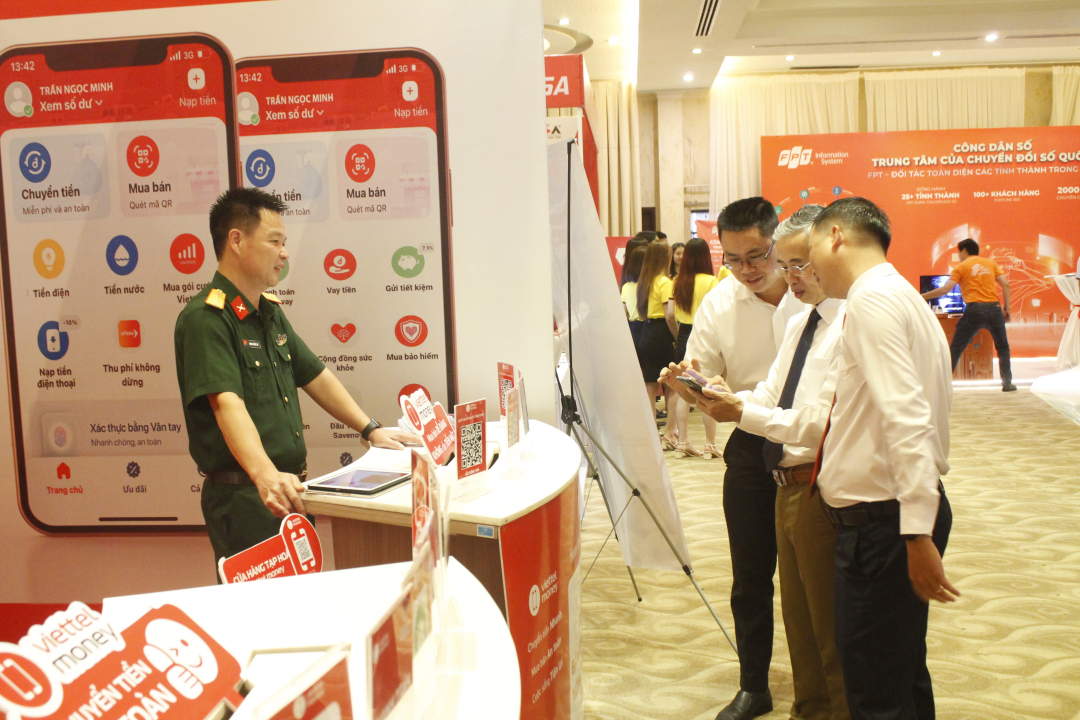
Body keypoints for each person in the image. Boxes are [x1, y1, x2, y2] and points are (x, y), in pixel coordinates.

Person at [174, 187, 417, 567]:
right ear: (236, 241)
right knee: (260, 604)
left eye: (284, 243)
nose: (284, 253)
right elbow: (226, 404)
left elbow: (316, 375)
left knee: (301, 597)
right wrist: (265, 476)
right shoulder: (206, 319)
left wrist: (370, 429)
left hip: (288, 490)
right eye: (275, 242)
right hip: (248, 498)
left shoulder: (268, 311)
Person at [672, 205, 850, 720]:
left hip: (815, 453)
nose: (747, 269)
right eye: (733, 259)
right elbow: (708, 374)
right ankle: (754, 684)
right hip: (754, 442)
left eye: (757, 256)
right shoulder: (720, 302)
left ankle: (825, 691)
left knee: (816, 584)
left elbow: (824, 414)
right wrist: (692, 384)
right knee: (751, 575)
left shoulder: (826, 300)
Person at [807, 197, 958, 720]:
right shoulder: (901, 295)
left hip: (884, 525)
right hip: (892, 518)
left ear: (835, 236)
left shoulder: (871, 300)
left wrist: (916, 532)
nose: (810, 269)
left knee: (876, 689)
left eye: (809, 252)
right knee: (901, 673)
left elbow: (907, 416)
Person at [921, 237, 1015, 391]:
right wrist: (1007, 309)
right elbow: (1005, 284)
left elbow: (945, 289)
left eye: (959, 252)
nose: (959, 255)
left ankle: (943, 384)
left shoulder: (961, 267)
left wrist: (921, 296)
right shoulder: (990, 264)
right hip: (995, 309)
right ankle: (1007, 383)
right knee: (1003, 347)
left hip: (974, 310)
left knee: (956, 347)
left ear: (964, 251)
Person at [667, 238, 719, 459]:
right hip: (706, 335)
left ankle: (682, 442)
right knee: (708, 390)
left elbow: (670, 315)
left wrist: (679, 337)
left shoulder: (677, 281)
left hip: (684, 334)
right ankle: (710, 445)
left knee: (683, 389)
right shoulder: (712, 282)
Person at [636, 240, 678, 447]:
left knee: (650, 387)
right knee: (672, 385)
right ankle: (670, 431)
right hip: (662, 334)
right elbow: (670, 316)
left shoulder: (644, 282)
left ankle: (652, 433)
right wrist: (677, 337)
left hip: (646, 332)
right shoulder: (665, 282)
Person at [621, 245, 647, 347]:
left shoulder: (626, 286)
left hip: (633, 328)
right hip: (647, 326)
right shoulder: (652, 285)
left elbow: (624, 313)